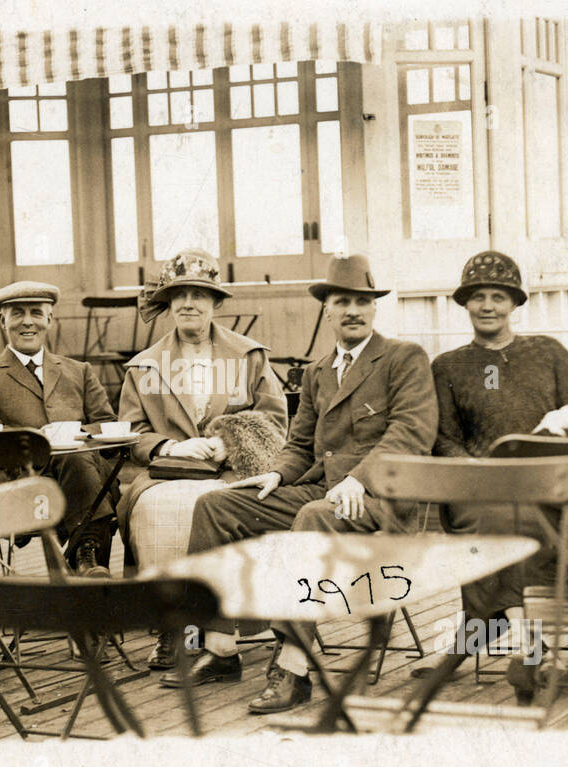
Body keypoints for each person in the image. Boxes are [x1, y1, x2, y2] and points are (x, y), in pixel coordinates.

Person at [164, 254, 439, 714]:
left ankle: (294, 666)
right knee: (218, 504)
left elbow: (410, 433)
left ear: (374, 310)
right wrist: (277, 473)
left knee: (312, 517)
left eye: (361, 302)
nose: (352, 310)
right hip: (324, 491)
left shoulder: (403, 359)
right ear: (326, 310)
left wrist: (357, 478)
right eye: (341, 301)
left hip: (385, 498)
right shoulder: (317, 372)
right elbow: (300, 445)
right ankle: (219, 647)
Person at [427, 250, 568, 681]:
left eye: (499, 297)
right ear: (464, 303)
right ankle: (533, 648)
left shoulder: (549, 352)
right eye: (478, 296)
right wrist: (476, 469)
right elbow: (444, 439)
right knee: (515, 517)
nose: (488, 306)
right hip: (483, 490)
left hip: (556, 483)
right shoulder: (447, 366)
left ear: (515, 303)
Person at [116, 249, 289, 669]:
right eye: (179, 295)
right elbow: (129, 431)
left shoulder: (249, 355)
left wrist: (230, 440)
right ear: (168, 304)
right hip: (166, 475)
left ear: (215, 302)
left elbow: (276, 418)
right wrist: (169, 447)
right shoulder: (145, 366)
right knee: (155, 509)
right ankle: (172, 628)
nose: (188, 303)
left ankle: (224, 627)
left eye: (199, 294)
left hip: (234, 469)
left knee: (225, 505)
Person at [0, 281, 119, 578]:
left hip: (82, 478)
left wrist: (71, 432)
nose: (28, 321)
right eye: (17, 313)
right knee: (77, 462)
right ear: (2, 320)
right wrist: (42, 439)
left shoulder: (79, 371)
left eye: (36, 312)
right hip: (20, 487)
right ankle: (86, 559)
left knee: (76, 457)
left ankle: (88, 557)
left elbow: (107, 428)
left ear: (49, 319)